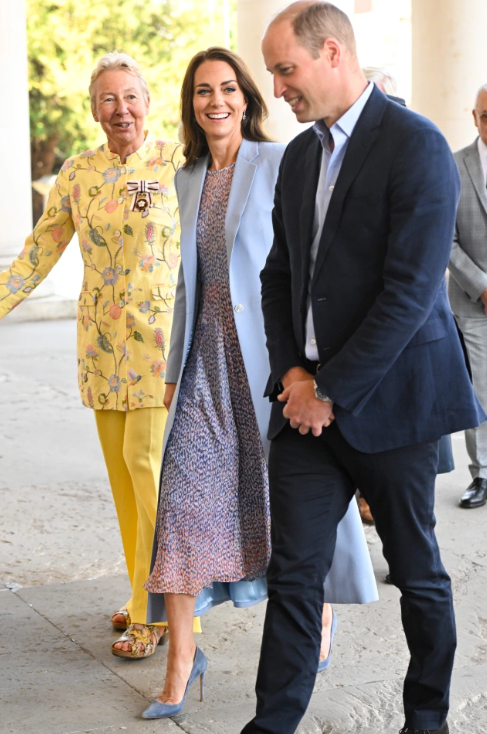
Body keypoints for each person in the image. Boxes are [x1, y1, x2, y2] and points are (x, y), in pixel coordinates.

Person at [241, 3, 485, 734]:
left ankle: (426, 720)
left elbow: (409, 293)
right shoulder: (299, 157)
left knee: (417, 573)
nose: (276, 87)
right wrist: (293, 376)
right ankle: (272, 724)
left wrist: (330, 390)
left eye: (285, 69)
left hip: (395, 406)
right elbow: (278, 276)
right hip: (305, 409)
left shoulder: (417, 145)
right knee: (292, 576)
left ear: (331, 53)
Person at [141, 46, 378, 720]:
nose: (215, 101)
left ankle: (321, 613)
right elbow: (187, 281)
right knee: (180, 507)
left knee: (297, 501)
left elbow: (309, 262)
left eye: (227, 88)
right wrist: (172, 368)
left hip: (271, 365)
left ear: (246, 97)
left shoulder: (280, 162)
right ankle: (182, 658)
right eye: (202, 91)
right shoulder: (187, 176)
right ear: (191, 105)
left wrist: (313, 362)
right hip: (202, 369)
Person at [0, 51, 200, 659]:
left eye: (130, 96)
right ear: (93, 110)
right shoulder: (76, 173)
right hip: (101, 349)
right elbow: (39, 252)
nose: (121, 109)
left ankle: (164, 612)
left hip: (162, 345)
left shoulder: (179, 162)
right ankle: (143, 592)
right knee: (123, 480)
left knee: (147, 466)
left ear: (149, 101)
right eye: (108, 99)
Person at [357, 67, 455, 528]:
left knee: (413, 506)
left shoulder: (419, 145)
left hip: (413, 338)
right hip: (364, 334)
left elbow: (419, 273)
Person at [449, 84, 487, 510]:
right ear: (475, 117)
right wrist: (482, 287)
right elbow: (445, 238)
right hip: (473, 301)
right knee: (482, 391)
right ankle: (483, 474)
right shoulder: (454, 165)